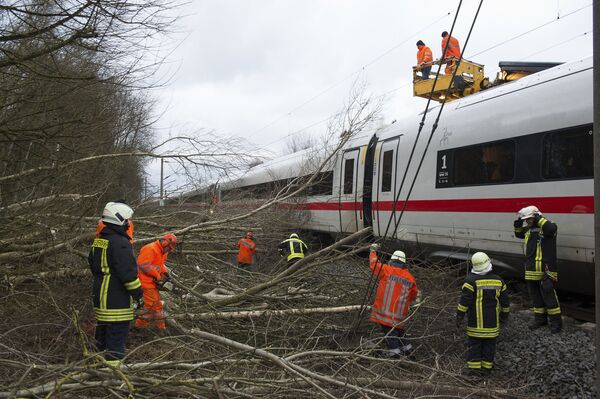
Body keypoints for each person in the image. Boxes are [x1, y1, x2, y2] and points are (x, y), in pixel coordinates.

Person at [88, 201, 143, 366]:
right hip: (115, 302)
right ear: (118, 219)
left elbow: (92, 263)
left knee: (103, 338)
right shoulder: (121, 243)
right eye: (126, 220)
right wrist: (139, 295)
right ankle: (112, 376)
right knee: (116, 343)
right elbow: (128, 275)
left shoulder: (99, 241)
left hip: (100, 298)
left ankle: (99, 369)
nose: (128, 224)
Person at [456, 252, 510, 376]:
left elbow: (464, 302)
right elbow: (505, 303)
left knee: (474, 348)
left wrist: (459, 316)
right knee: (489, 348)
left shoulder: (470, 281)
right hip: (492, 326)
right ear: (488, 263)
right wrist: (504, 316)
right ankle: (486, 371)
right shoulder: (499, 281)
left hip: (475, 326)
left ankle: (474, 373)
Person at [514, 205, 562, 333]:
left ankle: (556, 324)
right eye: (526, 220)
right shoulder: (529, 229)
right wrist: (518, 224)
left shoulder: (549, 226)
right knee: (535, 297)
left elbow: (550, 230)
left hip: (545, 271)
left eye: (529, 218)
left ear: (536, 216)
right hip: (530, 270)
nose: (527, 221)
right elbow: (519, 234)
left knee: (549, 297)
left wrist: (539, 218)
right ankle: (540, 320)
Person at [369, 244, 419, 358]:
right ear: (404, 263)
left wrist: (373, 251)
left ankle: (394, 353)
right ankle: (408, 350)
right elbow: (413, 295)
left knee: (390, 332)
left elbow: (374, 264)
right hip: (400, 315)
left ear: (391, 260)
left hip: (385, 313)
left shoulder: (386, 270)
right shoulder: (410, 278)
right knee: (399, 331)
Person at [135, 233, 177, 330]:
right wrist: (157, 275)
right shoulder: (150, 248)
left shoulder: (163, 252)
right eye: (169, 248)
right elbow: (143, 265)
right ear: (164, 242)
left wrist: (166, 274)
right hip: (145, 281)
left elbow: (160, 265)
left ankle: (160, 327)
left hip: (152, 283)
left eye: (171, 249)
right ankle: (140, 327)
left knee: (157, 306)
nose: (169, 250)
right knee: (149, 306)